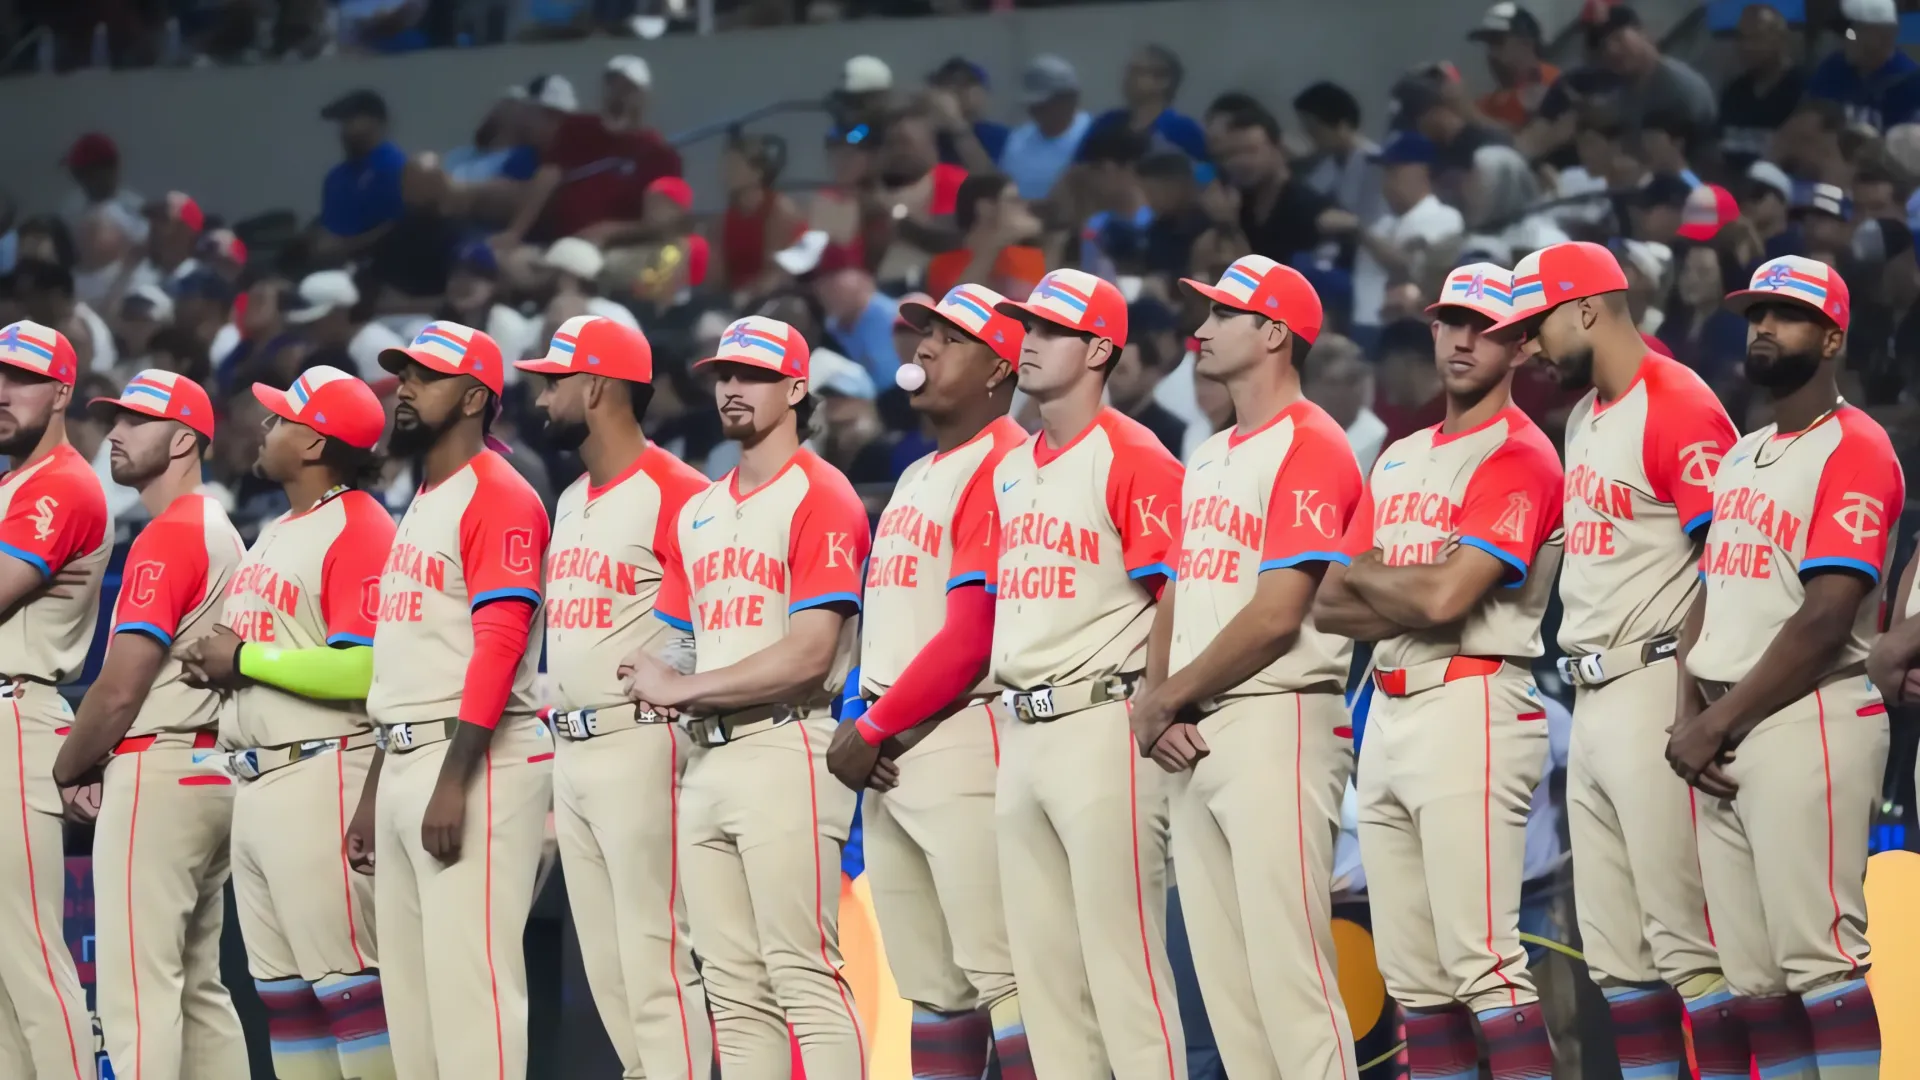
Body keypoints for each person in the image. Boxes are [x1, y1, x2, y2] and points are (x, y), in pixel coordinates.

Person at [1310, 263, 1564, 1080]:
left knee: (1483, 965)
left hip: (1474, 701)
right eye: (1449, 322)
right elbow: (1328, 603)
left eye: (1485, 327)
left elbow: (1451, 594)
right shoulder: (1401, 454)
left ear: (1522, 344)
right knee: (1417, 980)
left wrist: (1386, 577)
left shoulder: (1523, 454)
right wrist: (1408, 591)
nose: (1460, 339)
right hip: (1387, 710)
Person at [1506, 240, 1749, 1079]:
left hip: (1657, 684)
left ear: (1586, 309)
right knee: (1615, 958)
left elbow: (1733, 564)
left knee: (1689, 945)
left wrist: (1698, 706)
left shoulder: (1679, 401)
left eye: (1535, 325)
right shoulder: (1582, 417)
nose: (1528, 346)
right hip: (1591, 688)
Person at [1668, 256, 1901, 1080]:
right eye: (1757, 312)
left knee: (1820, 962)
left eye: (1789, 315)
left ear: (1832, 337)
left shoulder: (1858, 447)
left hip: (1808, 716)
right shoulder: (1743, 453)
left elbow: (1826, 618)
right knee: (1755, 981)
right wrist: (1686, 712)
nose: (1764, 327)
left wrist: (1717, 723)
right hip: (1725, 725)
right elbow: (1711, 588)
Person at [1131, 256, 1364, 1080]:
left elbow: (1277, 615)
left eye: (1221, 315)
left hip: (1279, 715)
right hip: (1198, 728)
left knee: (1289, 979)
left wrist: (1165, 702)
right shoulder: (1210, 452)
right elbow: (1176, 593)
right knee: (1228, 995)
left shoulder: (1313, 441)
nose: (1199, 330)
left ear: (1272, 332)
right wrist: (1157, 701)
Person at [627, 316, 873, 1079]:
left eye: (754, 375)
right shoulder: (698, 508)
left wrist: (682, 684)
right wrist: (648, 663)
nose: (733, 388)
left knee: (802, 975)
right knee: (731, 992)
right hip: (707, 758)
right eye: (724, 376)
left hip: (786, 743)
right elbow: (681, 633)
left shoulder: (822, 493)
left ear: (797, 389)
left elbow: (809, 654)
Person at [983, 269, 1188, 1079]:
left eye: (1051, 330)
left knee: (1124, 973)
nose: (1028, 341)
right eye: (1025, 327)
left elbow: (1178, 586)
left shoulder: (1134, 452)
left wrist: (1160, 700)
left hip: (1103, 718)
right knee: (1047, 984)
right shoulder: (1010, 465)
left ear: (1100, 348)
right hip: (1021, 728)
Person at [826, 285, 1033, 1079]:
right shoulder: (916, 475)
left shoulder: (1007, 461)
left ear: (997, 369)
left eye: (949, 338)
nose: (923, 349)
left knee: (1005, 975)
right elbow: (883, 622)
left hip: (962, 741)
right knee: (935, 990)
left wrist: (872, 731)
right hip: (890, 749)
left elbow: (971, 637)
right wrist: (860, 717)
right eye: (923, 334)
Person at [171, 366, 397, 1080]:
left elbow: (365, 672)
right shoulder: (276, 528)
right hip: (257, 778)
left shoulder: (360, 524)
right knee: (286, 1001)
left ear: (314, 444)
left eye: (281, 420)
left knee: (350, 990)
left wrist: (247, 658)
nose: (265, 428)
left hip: (322, 767)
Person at [347, 321, 555, 1078]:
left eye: (425, 377)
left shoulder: (499, 493)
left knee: (473, 995)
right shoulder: (427, 498)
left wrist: (453, 778)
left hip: (472, 761)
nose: (404, 389)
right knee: (412, 1001)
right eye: (403, 375)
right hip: (407, 753)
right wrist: (374, 790)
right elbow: (404, 665)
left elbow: (500, 647)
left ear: (473, 397)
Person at [512, 316, 714, 1079]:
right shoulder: (569, 499)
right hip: (576, 748)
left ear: (594, 386)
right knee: (609, 972)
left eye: (554, 381)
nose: (541, 395)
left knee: (657, 960)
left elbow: (711, 621)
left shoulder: (680, 490)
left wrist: (672, 679)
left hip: (644, 739)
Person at [53, 369, 249, 1080]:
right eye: (115, 418)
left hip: (159, 767)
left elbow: (120, 686)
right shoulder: (219, 526)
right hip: (212, 767)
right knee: (199, 987)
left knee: (136, 991)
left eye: (137, 420)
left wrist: (68, 763)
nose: (114, 432)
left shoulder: (170, 534)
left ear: (186, 439)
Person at [0, 322, 106, 1080]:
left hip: (16, 711)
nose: (3, 393)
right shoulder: (13, 483)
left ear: (62, 391)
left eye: (23, 378)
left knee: (30, 954)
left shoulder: (62, 482)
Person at [495, 55, 683, 251]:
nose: (618, 95)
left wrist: (609, 231)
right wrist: (514, 233)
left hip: (615, 251)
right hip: (558, 241)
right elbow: (547, 178)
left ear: (644, 98)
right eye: (612, 85)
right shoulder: (578, 128)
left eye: (628, 89)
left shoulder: (659, 153)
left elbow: (660, 222)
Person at [1209, 99, 1354, 268]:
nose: (1241, 162)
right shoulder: (1235, 203)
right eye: (1231, 155)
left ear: (1278, 147)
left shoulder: (1310, 208)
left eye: (1251, 151)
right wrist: (1225, 224)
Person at [1354, 132, 1465, 340]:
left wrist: (1358, 231)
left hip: (1408, 328)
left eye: (1393, 171)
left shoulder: (1444, 216)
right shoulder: (1383, 224)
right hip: (1365, 325)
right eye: (1385, 172)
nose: (1386, 181)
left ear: (1420, 171)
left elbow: (1413, 268)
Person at [1586, 6, 1718, 135]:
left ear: (1641, 32)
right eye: (1603, 48)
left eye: (1618, 38)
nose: (1611, 51)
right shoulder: (1631, 85)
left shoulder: (1676, 88)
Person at [314, 90, 408, 267]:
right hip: (340, 269)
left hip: (390, 268)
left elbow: (400, 228)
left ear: (378, 122)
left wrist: (346, 247)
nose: (346, 130)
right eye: (343, 122)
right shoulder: (336, 177)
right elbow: (329, 234)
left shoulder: (396, 168)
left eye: (353, 120)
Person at [1807, 0, 1920, 133]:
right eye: (1841, 32)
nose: (1843, 39)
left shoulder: (1911, 84)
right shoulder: (1832, 69)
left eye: (1850, 33)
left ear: (1883, 36)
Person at [1080, 45, 1208, 162]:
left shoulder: (1183, 130)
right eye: (1128, 71)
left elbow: (1203, 177)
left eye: (1137, 71)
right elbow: (1080, 166)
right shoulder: (1106, 122)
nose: (1128, 78)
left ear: (1163, 81)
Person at [1719, 4, 1806, 172]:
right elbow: (1720, 153)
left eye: (1756, 38)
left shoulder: (1802, 92)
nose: (1745, 46)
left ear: (1780, 40)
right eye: (1741, 38)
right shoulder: (1733, 92)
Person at [719, 132, 805, 296]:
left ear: (757, 173)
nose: (726, 174)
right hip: (737, 297)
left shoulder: (779, 209)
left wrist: (745, 297)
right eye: (725, 167)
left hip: (774, 296)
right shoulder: (728, 215)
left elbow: (776, 273)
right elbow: (721, 272)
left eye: (734, 166)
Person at [999, 55, 1093, 200]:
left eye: (1044, 104)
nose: (1034, 111)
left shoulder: (1093, 135)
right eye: (1032, 105)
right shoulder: (1018, 139)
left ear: (1070, 99)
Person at [284, 269, 408, 379]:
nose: (310, 330)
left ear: (340, 314)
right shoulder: (324, 350)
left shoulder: (378, 348)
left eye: (315, 322)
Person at [1292, 81, 1384, 224]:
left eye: (1314, 129)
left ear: (1343, 126)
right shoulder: (1327, 163)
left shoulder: (1375, 163)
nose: (1309, 135)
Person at [1470, 3, 1560, 132]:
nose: (1492, 54)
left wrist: (1470, 115)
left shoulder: (1555, 85)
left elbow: (1531, 142)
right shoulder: (1492, 102)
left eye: (1498, 42)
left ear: (1526, 43)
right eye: (1489, 45)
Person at [928, 56, 1011, 169]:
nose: (954, 92)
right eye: (945, 85)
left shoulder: (1001, 137)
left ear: (982, 93)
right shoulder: (927, 136)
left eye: (964, 85)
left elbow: (988, 178)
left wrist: (957, 125)